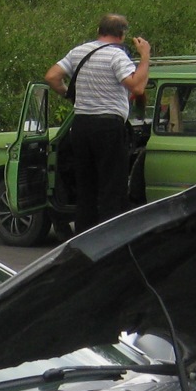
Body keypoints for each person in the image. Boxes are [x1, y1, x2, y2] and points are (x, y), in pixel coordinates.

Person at [45, 14, 151, 235]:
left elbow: (52, 76)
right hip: (108, 127)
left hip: (81, 126)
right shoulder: (117, 56)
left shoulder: (78, 52)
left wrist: (69, 95)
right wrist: (145, 56)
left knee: (86, 187)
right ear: (122, 34)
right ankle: (110, 238)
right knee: (112, 187)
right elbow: (137, 87)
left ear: (99, 30)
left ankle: (85, 237)